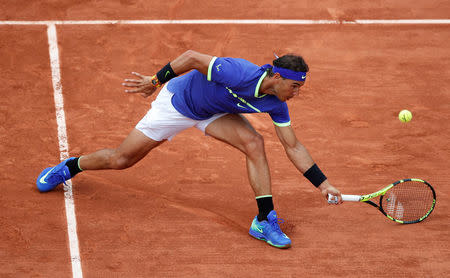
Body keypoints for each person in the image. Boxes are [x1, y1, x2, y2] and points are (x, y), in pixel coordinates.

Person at [36, 50, 343, 249]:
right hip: (178, 104)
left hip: (213, 113)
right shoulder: (238, 72)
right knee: (122, 159)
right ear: (277, 78)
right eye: (295, 86)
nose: (297, 93)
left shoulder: (277, 103)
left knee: (254, 143)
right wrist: (155, 81)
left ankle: (264, 219)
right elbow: (192, 58)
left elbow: (293, 145)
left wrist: (323, 183)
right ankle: (72, 166)